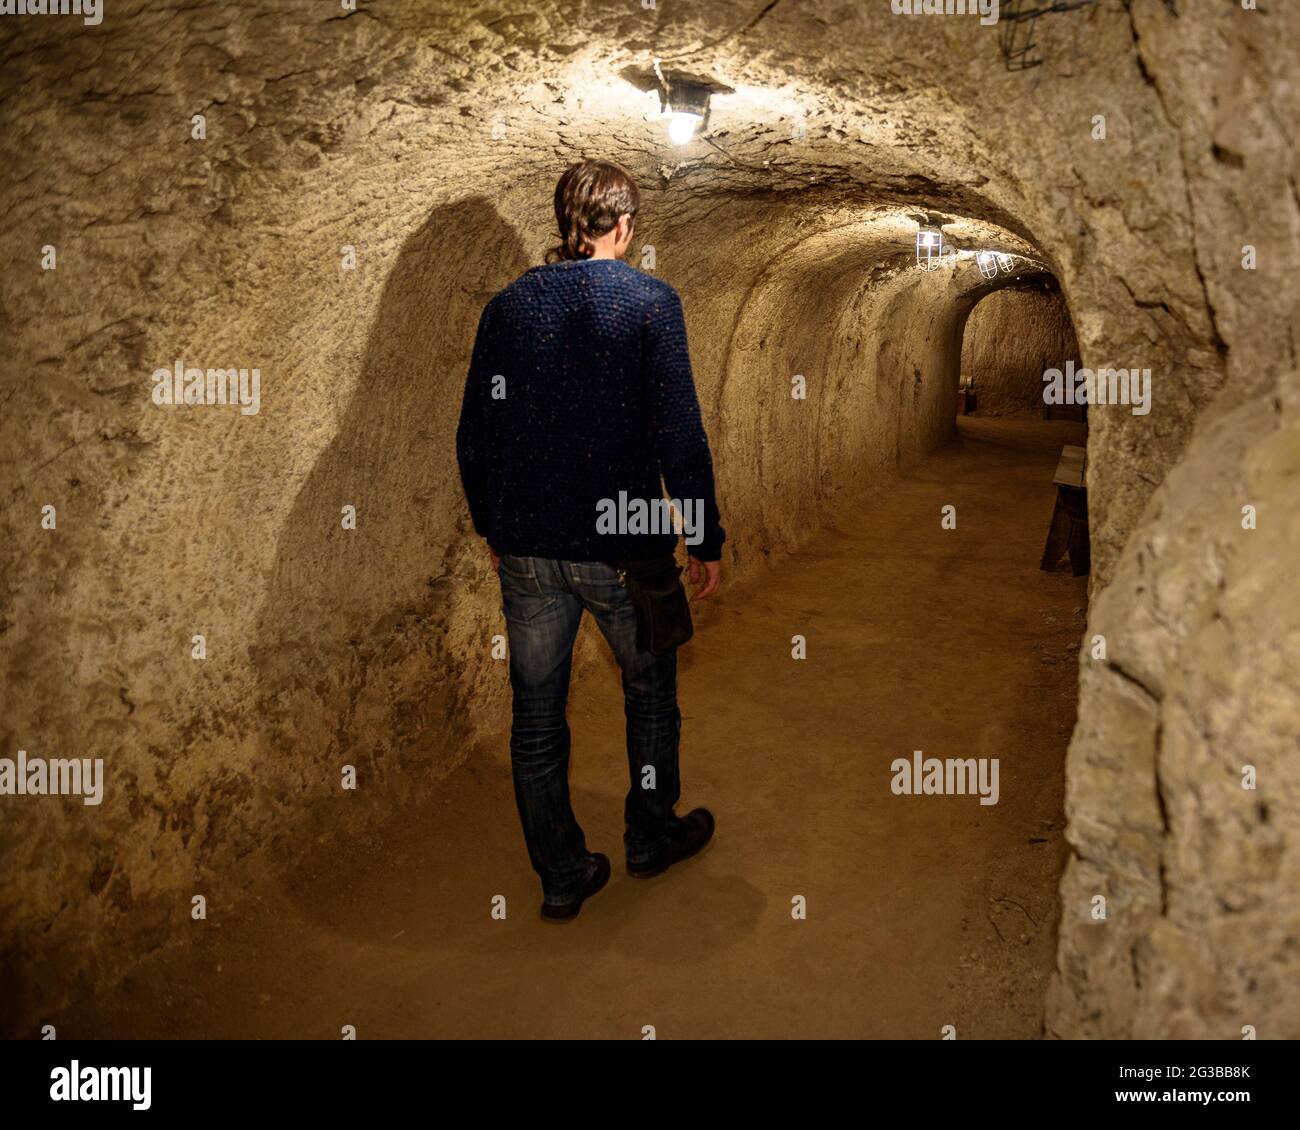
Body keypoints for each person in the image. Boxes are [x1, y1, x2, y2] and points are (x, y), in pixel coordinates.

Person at [455, 158, 726, 923]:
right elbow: (678, 434)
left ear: (563, 222)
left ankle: (563, 872)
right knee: (649, 696)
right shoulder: (649, 303)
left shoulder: (508, 308)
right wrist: (703, 536)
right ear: (626, 225)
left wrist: (492, 523)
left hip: (531, 549)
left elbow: (475, 433)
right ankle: (649, 833)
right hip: (626, 545)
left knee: (536, 718)